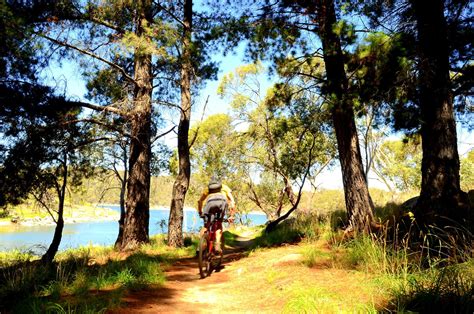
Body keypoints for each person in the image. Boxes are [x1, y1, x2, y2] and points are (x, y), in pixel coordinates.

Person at [197, 177, 236, 253]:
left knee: (206, 226)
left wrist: (200, 212)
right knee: (218, 224)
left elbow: (200, 201)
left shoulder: (208, 188)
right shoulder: (225, 187)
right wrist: (231, 215)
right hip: (222, 202)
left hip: (210, 203)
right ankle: (217, 245)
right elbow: (232, 202)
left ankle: (200, 246)